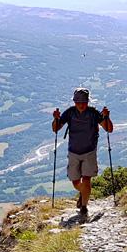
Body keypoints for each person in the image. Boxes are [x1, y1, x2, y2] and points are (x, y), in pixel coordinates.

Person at [52, 88, 114, 217]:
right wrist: (56, 119)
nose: (81, 104)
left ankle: (84, 206)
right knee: (75, 181)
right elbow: (56, 128)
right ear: (74, 102)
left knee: (86, 179)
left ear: (87, 102)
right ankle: (83, 193)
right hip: (73, 152)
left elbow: (109, 129)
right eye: (78, 102)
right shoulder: (70, 113)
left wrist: (106, 117)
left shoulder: (93, 113)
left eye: (83, 102)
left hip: (89, 151)